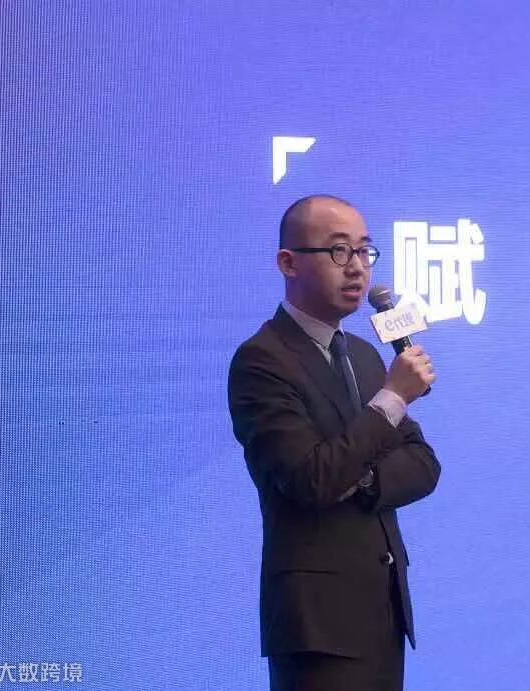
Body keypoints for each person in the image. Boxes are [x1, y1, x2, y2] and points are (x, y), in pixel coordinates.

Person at [228, 194, 441, 690]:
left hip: (383, 609)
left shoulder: (365, 355)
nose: (357, 267)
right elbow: (311, 478)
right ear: (288, 263)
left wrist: (361, 480)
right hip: (317, 626)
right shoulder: (263, 361)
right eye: (339, 251)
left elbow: (423, 464)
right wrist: (392, 397)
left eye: (365, 251)